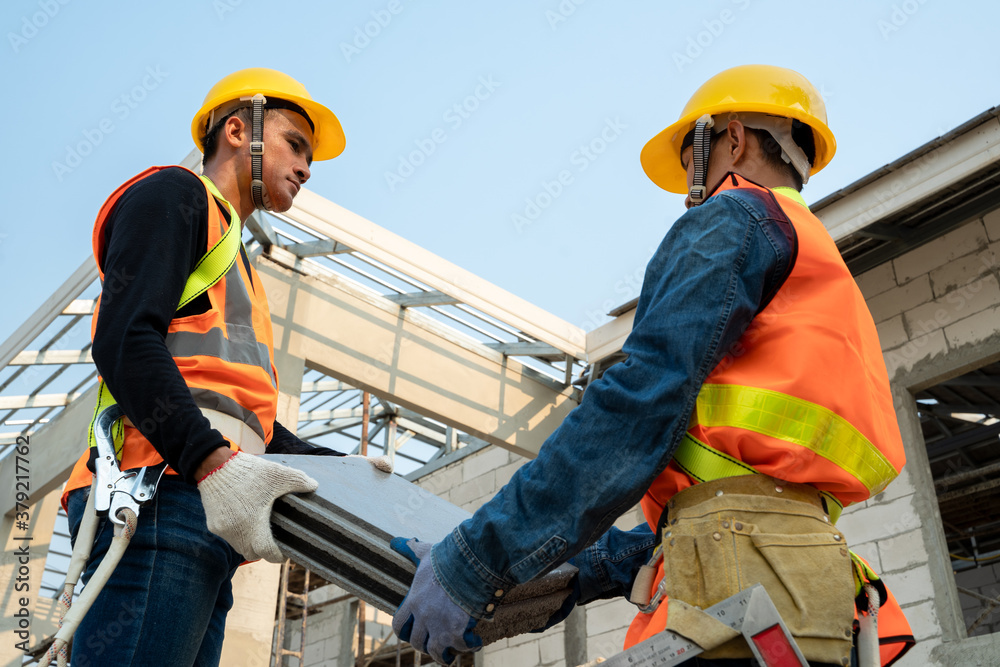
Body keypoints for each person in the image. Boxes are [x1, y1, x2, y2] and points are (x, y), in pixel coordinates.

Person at [390, 65, 915, 666]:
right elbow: (740, 491)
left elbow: (636, 405)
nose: (689, 186)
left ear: (732, 138)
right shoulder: (820, 263)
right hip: (810, 590)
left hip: (734, 585)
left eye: (697, 153)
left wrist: (475, 559)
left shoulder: (735, 216)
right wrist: (578, 570)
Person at [61, 68, 347, 667]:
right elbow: (124, 340)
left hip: (207, 508)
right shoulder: (175, 196)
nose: (307, 167)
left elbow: (245, 420)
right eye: (296, 144)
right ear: (239, 130)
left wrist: (347, 474)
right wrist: (207, 459)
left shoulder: (238, 264)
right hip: (158, 491)